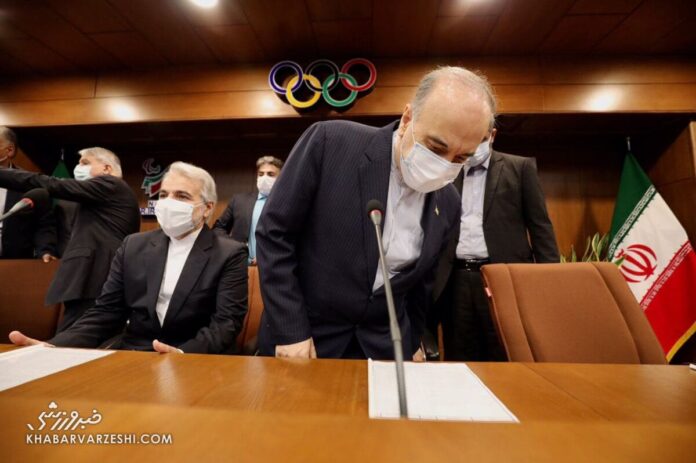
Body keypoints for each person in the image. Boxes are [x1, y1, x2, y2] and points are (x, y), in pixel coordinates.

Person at [256, 66, 496, 360]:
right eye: (435, 147)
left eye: (460, 158)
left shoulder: (448, 201)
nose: (444, 165)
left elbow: (422, 285)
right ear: (407, 119)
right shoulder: (330, 142)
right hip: (306, 342)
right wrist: (291, 331)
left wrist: (412, 340)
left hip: (384, 349)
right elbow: (274, 233)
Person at [9, 162, 248, 354]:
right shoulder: (133, 245)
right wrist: (53, 347)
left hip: (198, 358)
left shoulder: (229, 253)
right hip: (137, 354)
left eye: (182, 196)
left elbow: (226, 323)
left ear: (207, 208)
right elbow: (106, 312)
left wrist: (182, 354)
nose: (169, 203)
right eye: (164, 194)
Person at [431, 131, 560, 361]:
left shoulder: (519, 168)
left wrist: (548, 285)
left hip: (502, 277)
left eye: (479, 138)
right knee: (459, 355)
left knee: (505, 353)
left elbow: (540, 227)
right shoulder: (447, 171)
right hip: (456, 279)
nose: (472, 146)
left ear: (492, 135)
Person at [0, 147, 140, 332]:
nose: (78, 168)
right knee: (77, 340)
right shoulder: (101, 196)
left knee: (74, 341)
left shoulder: (111, 185)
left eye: (85, 163)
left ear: (107, 168)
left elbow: (49, 183)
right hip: (93, 280)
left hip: (96, 278)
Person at [0, 127, 57, 261]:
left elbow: (44, 224)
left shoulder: (30, 184)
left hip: (16, 264)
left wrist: (45, 251)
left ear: (9, 150)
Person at [213, 155, 283, 265]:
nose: (264, 178)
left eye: (270, 174)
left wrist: (270, 254)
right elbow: (218, 228)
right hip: (239, 265)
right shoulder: (239, 200)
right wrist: (234, 246)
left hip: (274, 265)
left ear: (281, 177)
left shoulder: (288, 203)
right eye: (261, 174)